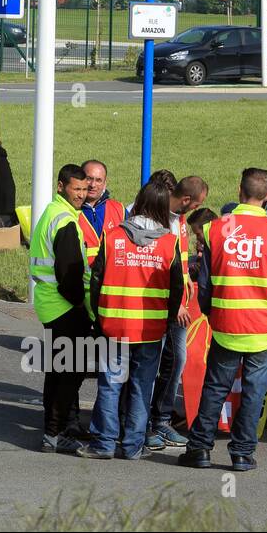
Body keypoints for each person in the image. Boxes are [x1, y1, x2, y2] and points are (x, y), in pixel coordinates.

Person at [179, 168, 267, 473]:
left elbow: (205, 283)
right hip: (263, 328)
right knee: (254, 391)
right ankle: (242, 454)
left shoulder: (217, 229)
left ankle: (200, 449)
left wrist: (209, 311)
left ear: (240, 192)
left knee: (215, 387)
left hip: (226, 323)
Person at [79, 181, 185, 460]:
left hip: (114, 325)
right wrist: (167, 320)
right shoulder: (168, 243)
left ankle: (103, 444)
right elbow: (177, 290)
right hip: (150, 330)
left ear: (138, 203)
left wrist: (99, 317)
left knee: (110, 385)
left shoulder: (112, 237)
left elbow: (96, 282)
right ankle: (132, 446)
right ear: (163, 209)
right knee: (141, 388)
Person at [30, 163, 93, 453]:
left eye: (84, 188)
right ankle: (54, 434)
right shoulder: (65, 221)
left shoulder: (52, 213)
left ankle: (54, 430)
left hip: (49, 303)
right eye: (75, 188)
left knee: (58, 370)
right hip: (64, 305)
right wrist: (80, 302)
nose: (81, 194)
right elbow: (69, 272)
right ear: (61, 187)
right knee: (70, 371)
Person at [145, 173, 207, 449]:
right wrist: (177, 302)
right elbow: (158, 266)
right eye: (196, 204)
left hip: (177, 302)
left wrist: (186, 282)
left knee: (176, 361)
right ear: (185, 200)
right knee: (155, 364)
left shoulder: (180, 220)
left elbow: (178, 260)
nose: (196, 210)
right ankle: (147, 424)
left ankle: (161, 421)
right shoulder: (157, 218)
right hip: (162, 304)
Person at [78, 160, 126, 269]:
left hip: (111, 282)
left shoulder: (120, 210)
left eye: (98, 180)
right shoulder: (69, 210)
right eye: (89, 179)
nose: (93, 185)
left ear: (105, 183)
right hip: (78, 283)